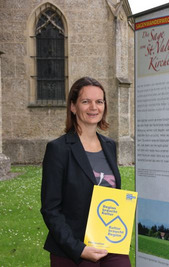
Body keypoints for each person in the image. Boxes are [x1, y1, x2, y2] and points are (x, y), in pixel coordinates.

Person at [40, 77, 131, 266]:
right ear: (73, 107)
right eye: (85, 101)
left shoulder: (109, 146)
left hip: (108, 243)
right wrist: (78, 248)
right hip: (72, 247)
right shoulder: (58, 149)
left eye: (99, 101)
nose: (93, 107)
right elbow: (50, 209)